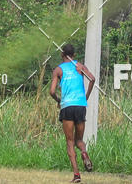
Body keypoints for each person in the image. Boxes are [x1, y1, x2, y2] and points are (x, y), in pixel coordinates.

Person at [50, 43, 95, 183]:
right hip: (80, 105)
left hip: (67, 106)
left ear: (62, 55)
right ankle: (84, 153)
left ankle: (76, 175)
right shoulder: (79, 66)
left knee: (70, 142)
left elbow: (52, 91)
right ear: (74, 55)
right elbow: (92, 79)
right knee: (79, 140)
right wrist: (86, 97)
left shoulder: (58, 70)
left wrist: (58, 100)